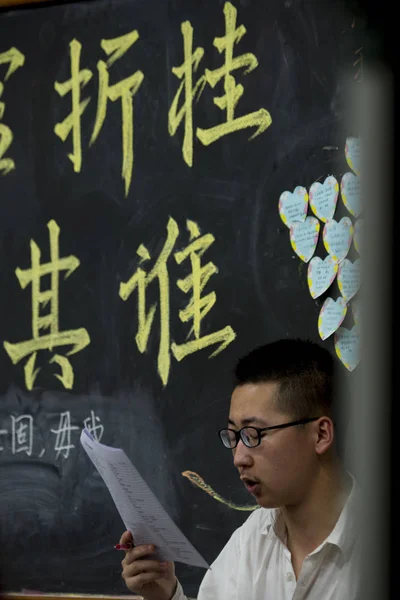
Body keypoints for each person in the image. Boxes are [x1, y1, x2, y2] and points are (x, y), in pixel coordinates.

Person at [119, 338, 359, 599]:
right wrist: (164, 593)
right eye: (234, 436)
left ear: (321, 434)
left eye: (253, 434)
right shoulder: (253, 537)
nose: (239, 458)